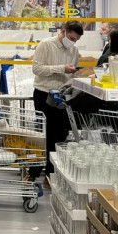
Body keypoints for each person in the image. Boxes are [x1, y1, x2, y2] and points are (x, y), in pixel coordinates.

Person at [32, 20, 83, 177]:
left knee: (61, 135)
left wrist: (75, 75)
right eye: (72, 38)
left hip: (62, 96)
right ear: (63, 31)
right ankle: (41, 172)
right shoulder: (46, 45)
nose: (73, 42)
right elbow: (36, 68)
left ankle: (52, 173)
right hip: (44, 94)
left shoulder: (74, 51)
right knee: (48, 136)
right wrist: (61, 68)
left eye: (76, 40)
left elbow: (72, 73)